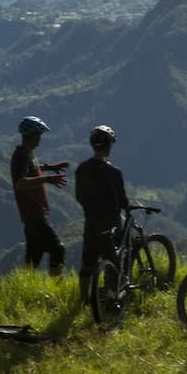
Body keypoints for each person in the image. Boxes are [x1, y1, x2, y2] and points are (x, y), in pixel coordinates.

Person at [74, 125, 127, 309]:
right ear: (109, 146)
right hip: (111, 224)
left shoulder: (82, 169)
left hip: (91, 223)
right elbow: (122, 201)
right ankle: (112, 301)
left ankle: (83, 300)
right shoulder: (114, 172)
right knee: (113, 263)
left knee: (87, 263)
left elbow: (79, 197)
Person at [10, 115, 68, 275]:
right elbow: (20, 184)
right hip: (33, 213)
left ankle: (22, 291)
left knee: (33, 261)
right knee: (58, 249)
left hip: (33, 214)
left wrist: (50, 167)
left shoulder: (27, 154)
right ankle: (56, 288)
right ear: (31, 135)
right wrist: (47, 179)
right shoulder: (21, 155)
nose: (40, 139)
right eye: (39, 135)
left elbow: (32, 168)